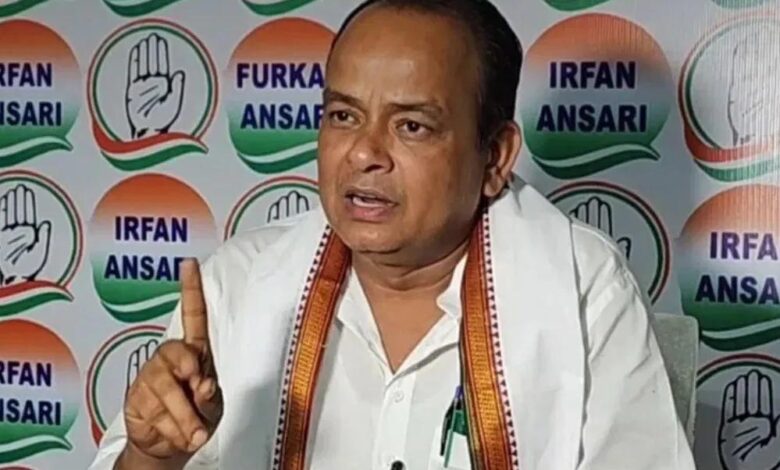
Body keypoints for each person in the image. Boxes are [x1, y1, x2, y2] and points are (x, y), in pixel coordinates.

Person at [89, 0, 696, 469]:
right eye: (343, 116)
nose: (363, 154)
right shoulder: (238, 287)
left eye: (411, 126)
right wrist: (152, 458)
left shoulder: (582, 289)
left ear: (495, 157)